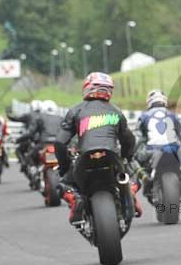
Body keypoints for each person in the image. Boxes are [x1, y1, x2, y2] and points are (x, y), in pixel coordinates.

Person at [55, 72, 141, 225]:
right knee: (133, 177)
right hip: (112, 157)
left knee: (63, 184)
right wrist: (127, 157)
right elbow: (129, 140)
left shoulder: (76, 111)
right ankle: (131, 195)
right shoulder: (116, 111)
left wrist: (64, 166)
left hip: (85, 158)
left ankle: (75, 199)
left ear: (87, 88)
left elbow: (60, 143)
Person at [8, 100, 42, 172]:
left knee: (18, 150)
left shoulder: (29, 115)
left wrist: (8, 114)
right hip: (42, 140)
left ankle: (24, 163)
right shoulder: (44, 116)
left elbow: (15, 118)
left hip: (31, 138)